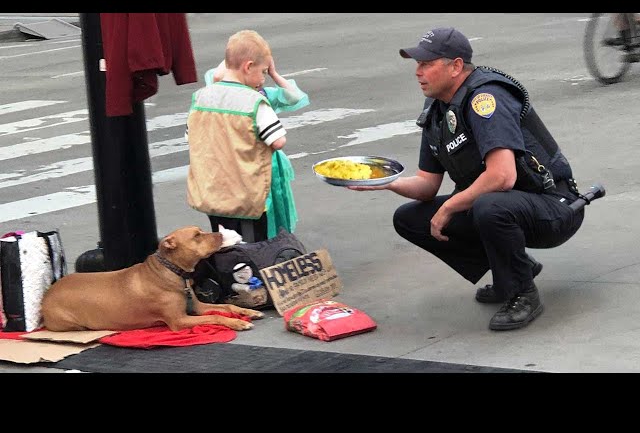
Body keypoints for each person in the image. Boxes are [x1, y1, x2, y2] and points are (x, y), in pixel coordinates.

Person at [349, 27, 585, 331]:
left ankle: (522, 293)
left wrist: (450, 207)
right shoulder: (437, 110)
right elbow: (427, 185)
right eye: (417, 64)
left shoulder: (486, 98)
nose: (417, 72)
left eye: (426, 64)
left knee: (488, 206)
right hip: (508, 205)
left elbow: (502, 176)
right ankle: (512, 270)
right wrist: (383, 182)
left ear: (456, 66)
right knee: (409, 218)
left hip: (554, 207)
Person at [186, 30, 308, 243]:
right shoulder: (254, 101)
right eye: (263, 71)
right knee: (251, 247)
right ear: (248, 66)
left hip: (213, 190)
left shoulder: (201, 97)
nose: (263, 77)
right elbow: (278, 140)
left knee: (223, 240)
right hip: (245, 192)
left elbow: (191, 136)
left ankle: (226, 273)